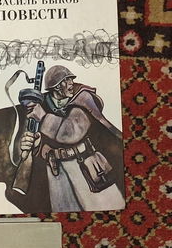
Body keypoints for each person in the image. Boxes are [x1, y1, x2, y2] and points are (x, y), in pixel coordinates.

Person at [15, 65, 124, 212]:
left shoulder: (83, 97)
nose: (71, 83)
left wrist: (44, 118)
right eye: (66, 80)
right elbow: (42, 142)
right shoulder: (42, 104)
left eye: (71, 79)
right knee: (63, 213)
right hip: (56, 171)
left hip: (87, 166)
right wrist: (35, 144)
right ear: (56, 87)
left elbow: (71, 132)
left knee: (109, 209)